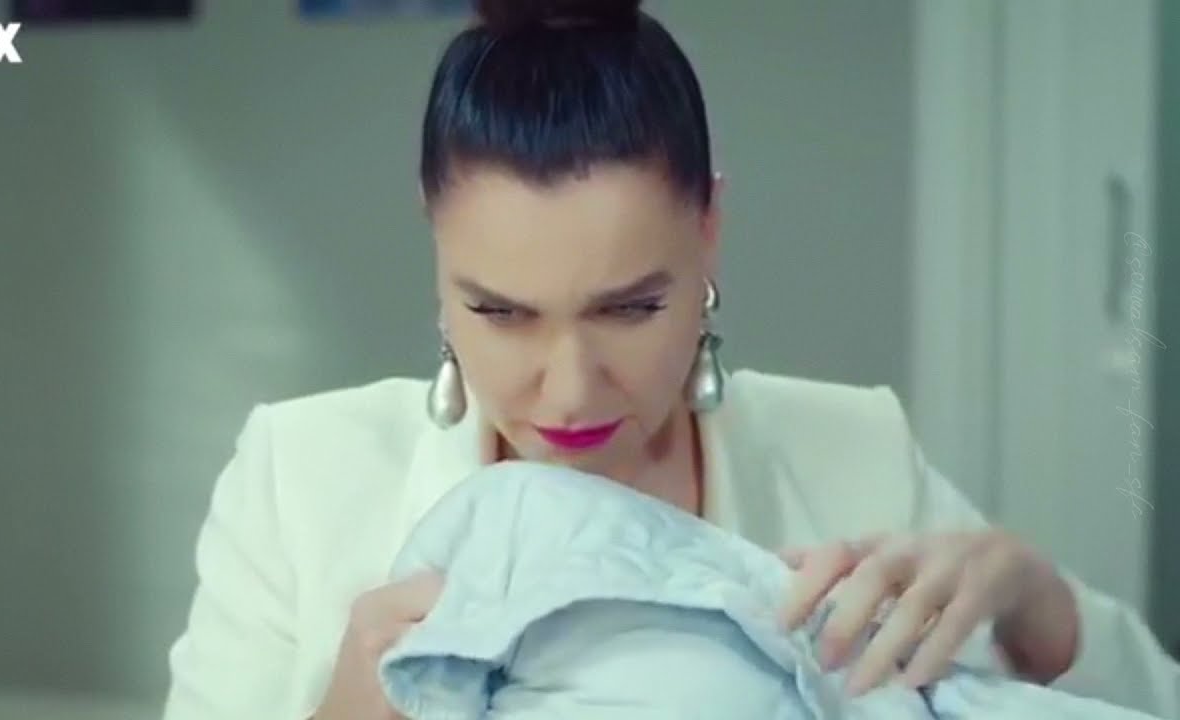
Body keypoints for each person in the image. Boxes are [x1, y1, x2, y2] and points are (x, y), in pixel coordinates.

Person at [161, 1, 1180, 719]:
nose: (568, 391)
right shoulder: (299, 477)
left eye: (630, 308)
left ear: (709, 231)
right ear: (436, 251)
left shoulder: (852, 449)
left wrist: (1032, 601)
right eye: (500, 312)